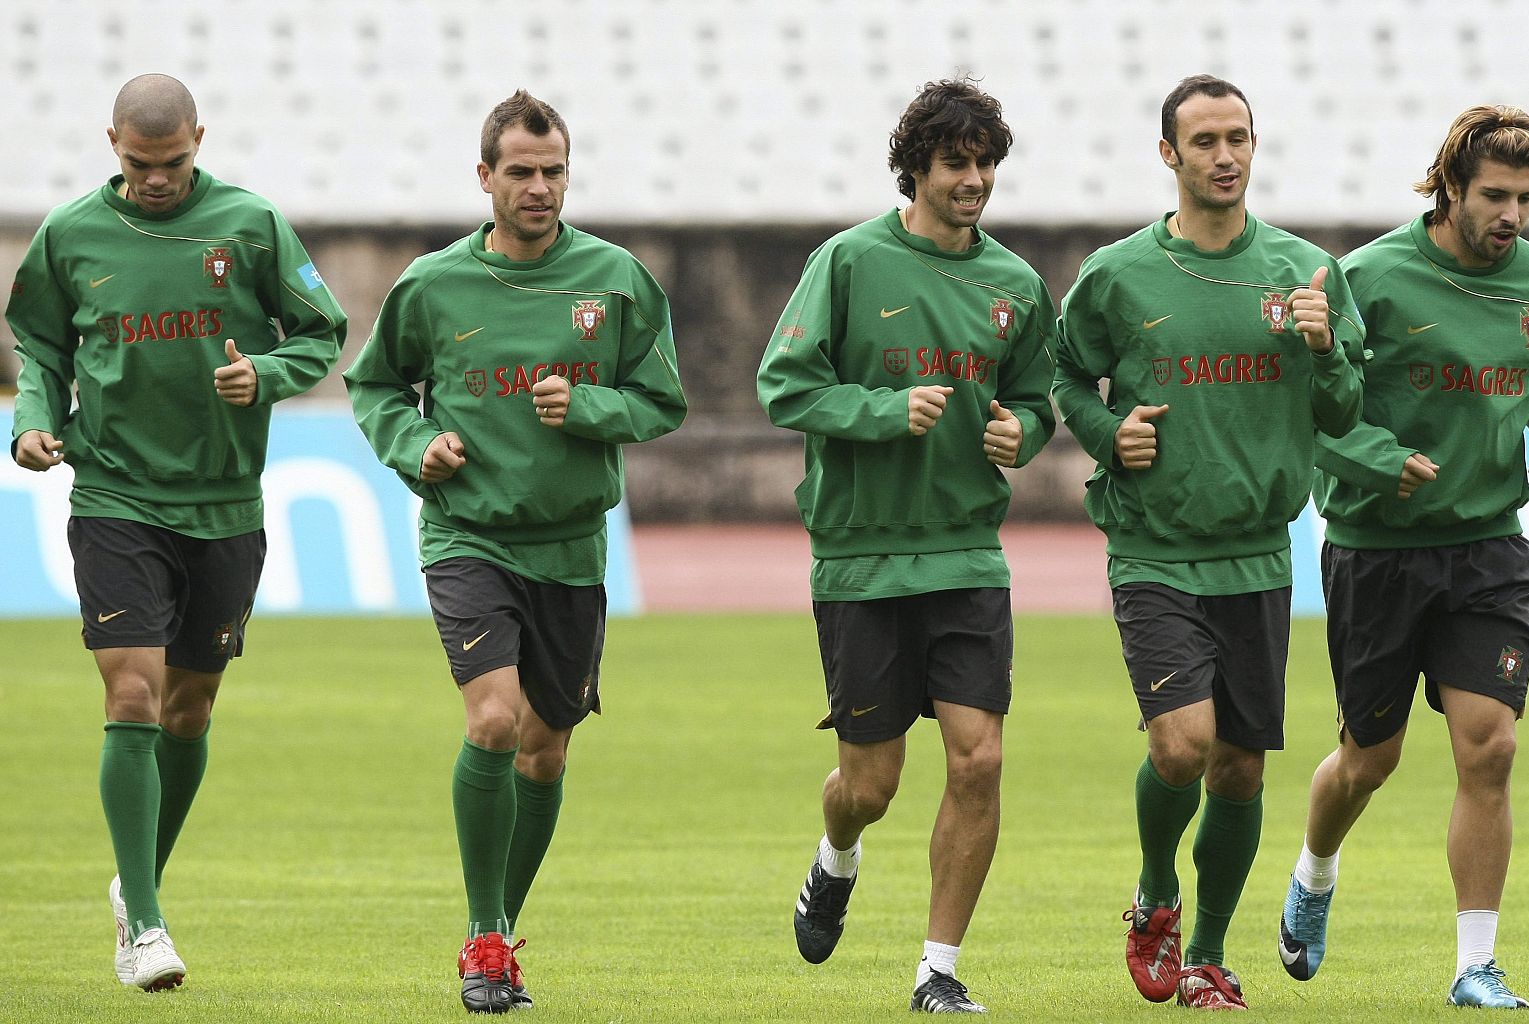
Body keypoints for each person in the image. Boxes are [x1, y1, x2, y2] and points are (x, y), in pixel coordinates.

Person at [344, 89, 686, 1015]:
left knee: (545, 753)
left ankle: (492, 932)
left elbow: (662, 402)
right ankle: (488, 935)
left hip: (571, 548)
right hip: (468, 536)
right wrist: (418, 449)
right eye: (522, 171)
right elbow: (374, 388)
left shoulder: (615, 281)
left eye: (554, 171)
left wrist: (590, 409)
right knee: (493, 723)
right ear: (485, 177)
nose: (539, 188)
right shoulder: (433, 285)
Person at [6, 73, 347, 993]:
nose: (158, 179)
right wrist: (31, 418)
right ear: (111, 143)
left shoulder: (251, 224)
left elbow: (323, 329)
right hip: (115, 494)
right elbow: (38, 343)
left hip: (224, 503)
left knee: (192, 709)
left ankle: (135, 881)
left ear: (201, 137)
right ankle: (146, 930)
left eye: (175, 162)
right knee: (133, 695)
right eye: (140, 164)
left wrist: (267, 374)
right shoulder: (71, 234)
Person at [1053, 74, 1365, 1010]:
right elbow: (1066, 378)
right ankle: (1156, 892)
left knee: (1239, 765)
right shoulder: (1115, 276)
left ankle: (1210, 955)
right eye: (1204, 141)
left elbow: (1346, 408)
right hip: (1153, 547)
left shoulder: (1304, 273)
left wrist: (1324, 348)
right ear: (1169, 156)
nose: (1225, 156)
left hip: (1259, 553)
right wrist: (1109, 436)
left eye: (1239, 138)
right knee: (1183, 747)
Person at [1278, 105, 1529, 1010]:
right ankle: (1316, 871)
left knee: (1489, 749)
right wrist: (1382, 461)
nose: (1513, 215)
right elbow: (1314, 413)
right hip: (1376, 552)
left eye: (1527, 198)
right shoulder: (1366, 278)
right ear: (1449, 184)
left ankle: (1475, 966)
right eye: (1496, 195)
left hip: (1490, 548)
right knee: (1368, 761)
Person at [757, 77, 1056, 1015]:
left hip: (967, 554)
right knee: (870, 784)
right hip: (863, 560)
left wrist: (1028, 434)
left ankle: (938, 967)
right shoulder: (848, 262)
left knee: (980, 759)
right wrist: (885, 413)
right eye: (956, 163)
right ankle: (835, 856)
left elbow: (1042, 397)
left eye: (986, 164)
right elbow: (784, 386)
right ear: (916, 169)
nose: (974, 181)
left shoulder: (1015, 286)